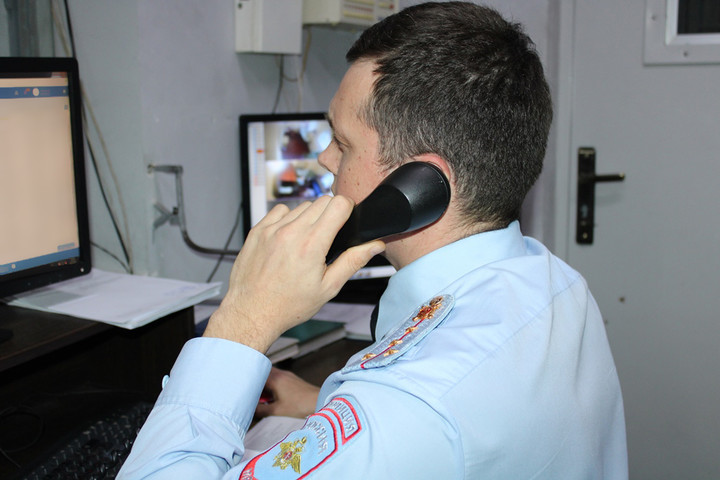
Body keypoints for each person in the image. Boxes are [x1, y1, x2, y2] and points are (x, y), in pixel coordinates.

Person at [118, 2, 627, 478]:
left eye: (342, 144)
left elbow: (414, 420)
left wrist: (242, 322)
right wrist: (324, 402)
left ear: (420, 187)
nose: (325, 160)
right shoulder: (558, 285)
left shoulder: (407, 410)